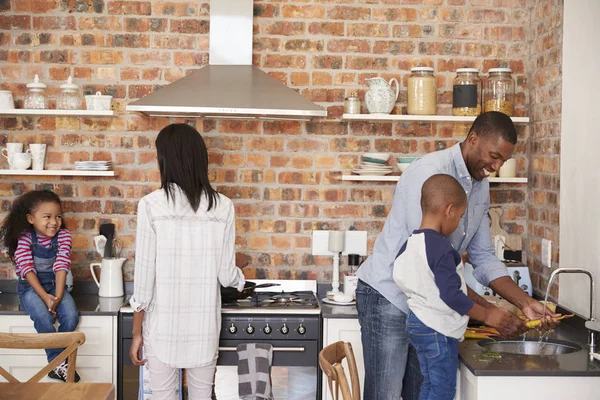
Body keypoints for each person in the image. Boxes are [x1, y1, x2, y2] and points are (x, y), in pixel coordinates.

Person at [355, 111, 559, 400]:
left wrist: (525, 303)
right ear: (472, 139)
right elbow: (430, 269)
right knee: (385, 396)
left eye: (502, 160)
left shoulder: (480, 184)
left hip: (425, 308)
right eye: (493, 156)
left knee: (419, 393)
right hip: (388, 298)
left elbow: (484, 256)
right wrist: (488, 313)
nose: (497, 166)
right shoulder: (430, 173)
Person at [128, 123, 245, 400]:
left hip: (162, 328)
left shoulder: (151, 205)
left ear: (165, 160)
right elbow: (227, 276)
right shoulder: (223, 206)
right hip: (203, 327)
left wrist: (136, 333)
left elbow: (143, 284)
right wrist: (241, 280)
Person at [394, 174, 515, 400]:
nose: (458, 223)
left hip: (417, 323)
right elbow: (451, 295)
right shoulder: (441, 247)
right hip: (437, 329)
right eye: (459, 217)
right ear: (449, 210)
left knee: (429, 385)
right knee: (442, 391)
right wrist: (488, 315)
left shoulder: (410, 244)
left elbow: (405, 277)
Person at [0, 189, 81, 382]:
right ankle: (58, 363)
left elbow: (62, 266)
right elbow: (27, 269)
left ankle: (60, 363)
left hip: (56, 285)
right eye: (47, 217)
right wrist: (45, 298)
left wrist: (57, 297)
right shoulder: (25, 238)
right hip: (30, 287)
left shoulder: (63, 236)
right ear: (30, 218)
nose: (54, 222)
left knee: (71, 316)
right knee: (43, 317)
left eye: (58, 216)